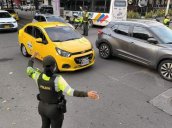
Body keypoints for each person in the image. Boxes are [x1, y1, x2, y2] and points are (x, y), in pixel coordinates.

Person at [26, 52, 99, 128]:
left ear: (43, 66)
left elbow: (28, 69)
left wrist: (32, 58)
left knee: (44, 125)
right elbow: (71, 92)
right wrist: (87, 94)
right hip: (54, 111)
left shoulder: (37, 75)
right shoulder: (58, 80)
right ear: (54, 66)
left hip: (41, 108)